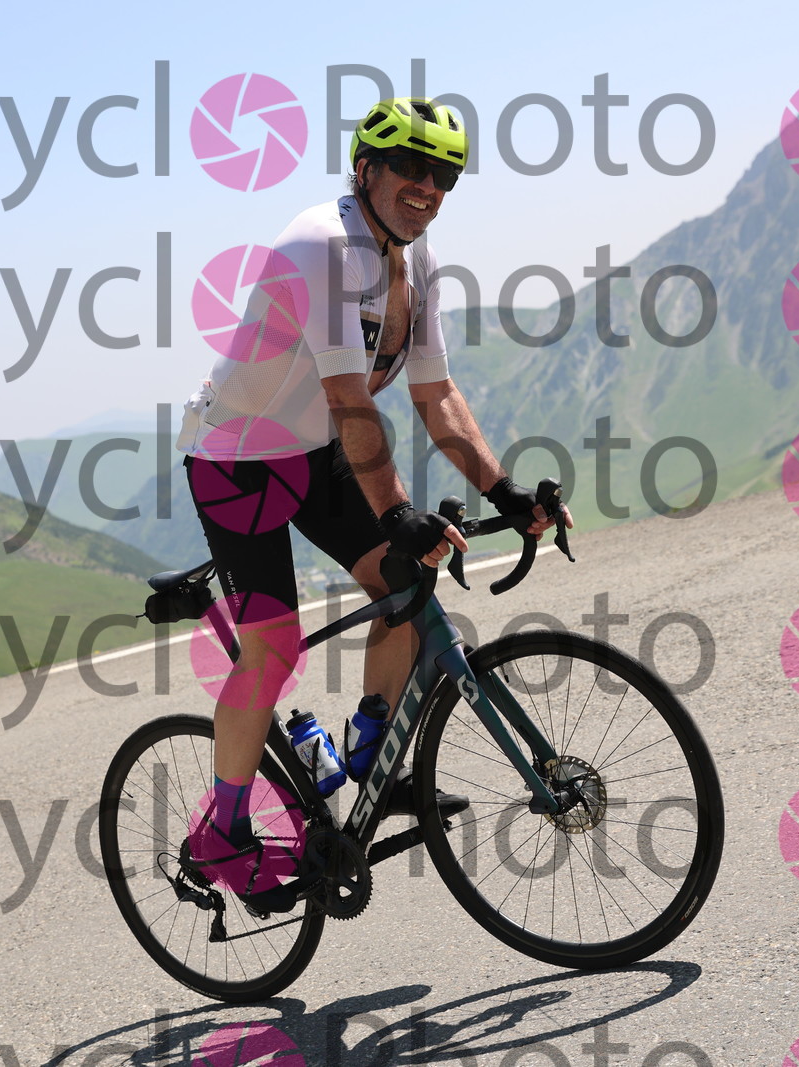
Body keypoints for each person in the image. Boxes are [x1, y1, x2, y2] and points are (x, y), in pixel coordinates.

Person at [175, 97, 573, 907]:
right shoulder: (321, 244)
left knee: (407, 583)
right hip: (239, 460)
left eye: (445, 175)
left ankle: (371, 757)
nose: (429, 187)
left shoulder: (416, 263)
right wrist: (396, 511)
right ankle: (222, 833)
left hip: (315, 449)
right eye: (412, 168)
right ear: (366, 169)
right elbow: (350, 397)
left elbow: (437, 394)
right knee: (273, 646)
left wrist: (503, 491)